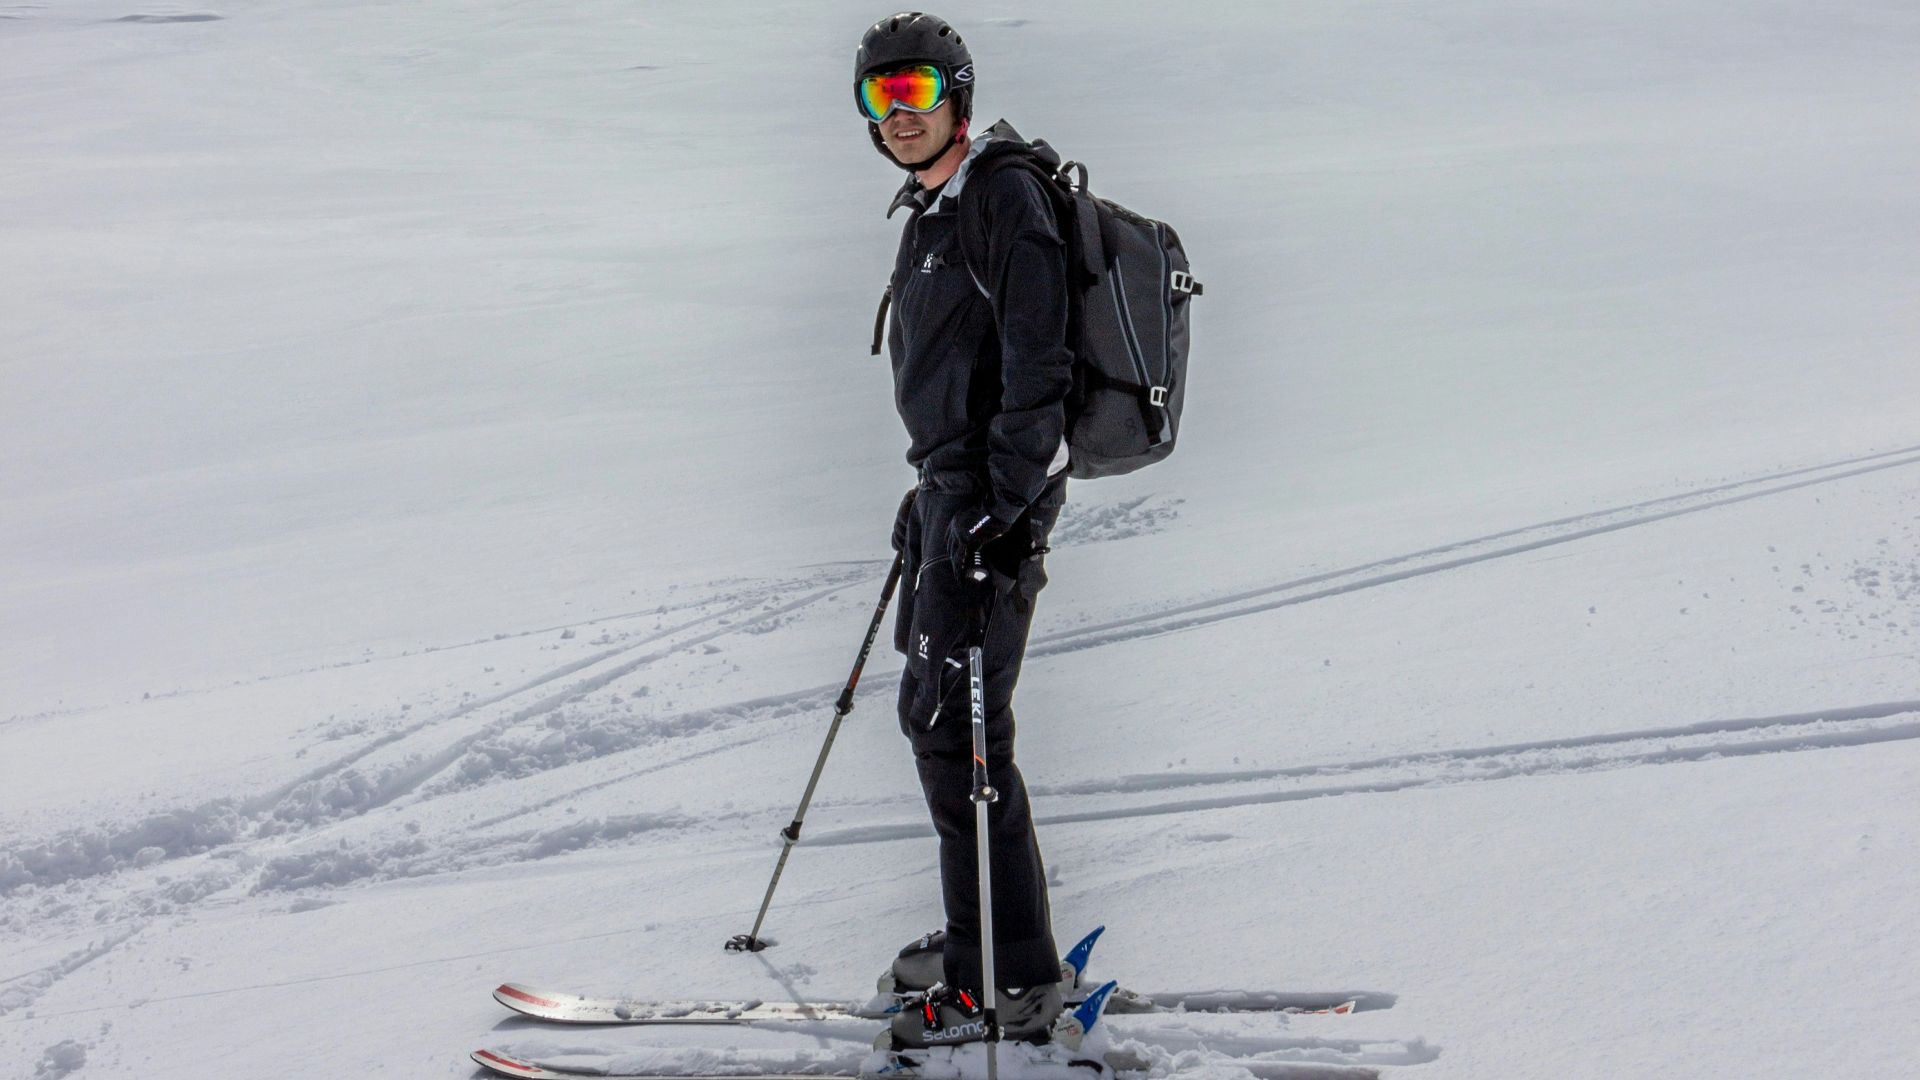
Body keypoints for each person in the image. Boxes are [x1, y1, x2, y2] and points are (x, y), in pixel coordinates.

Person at [855, 11, 1076, 1050]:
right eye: (878, 96)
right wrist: (933, 492)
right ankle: (981, 937)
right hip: (952, 496)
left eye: (914, 92)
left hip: (994, 507)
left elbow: (1041, 369)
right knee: (935, 721)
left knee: (964, 738)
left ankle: (1009, 978)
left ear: (957, 94)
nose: (897, 115)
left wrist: (997, 499)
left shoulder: (1003, 198)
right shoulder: (935, 208)